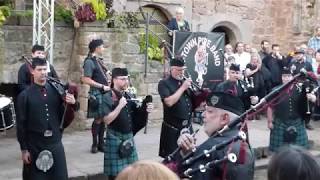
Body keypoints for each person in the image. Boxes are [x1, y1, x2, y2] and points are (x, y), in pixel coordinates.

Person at [16, 58, 77, 180]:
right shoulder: (25, 96)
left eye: (45, 69)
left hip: (55, 143)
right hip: (35, 146)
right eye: (40, 69)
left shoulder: (57, 90)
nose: (43, 72)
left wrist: (73, 103)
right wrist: (24, 149)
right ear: (32, 71)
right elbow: (21, 124)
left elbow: (68, 111)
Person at [177, 92, 255, 180]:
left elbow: (183, 174)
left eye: (209, 111)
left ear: (224, 118)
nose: (203, 115)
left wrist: (184, 154)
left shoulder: (210, 147)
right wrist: (188, 152)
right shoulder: (245, 144)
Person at [102, 67, 153, 180]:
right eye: (123, 79)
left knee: (132, 174)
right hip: (115, 139)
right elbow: (107, 120)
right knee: (116, 176)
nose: (126, 82)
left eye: (127, 79)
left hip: (129, 139)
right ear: (114, 80)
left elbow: (136, 115)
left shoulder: (129, 95)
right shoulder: (107, 97)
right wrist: (120, 106)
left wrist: (146, 108)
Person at [157, 57, 194, 158]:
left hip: (188, 127)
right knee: (172, 160)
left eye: (183, 70)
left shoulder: (185, 82)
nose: (182, 73)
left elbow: (192, 104)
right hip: (172, 130)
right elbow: (168, 102)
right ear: (172, 69)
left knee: (190, 157)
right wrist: (183, 88)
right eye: (179, 70)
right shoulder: (164, 83)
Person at [267, 67, 310, 152]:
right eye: (284, 76)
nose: (286, 78)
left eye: (288, 76)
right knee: (278, 151)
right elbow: (270, 107)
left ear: (293, 77)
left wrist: (311, 97)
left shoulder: (300, 89)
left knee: (300, 150)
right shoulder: (276, 91)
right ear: (281, 77)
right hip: (280, 122)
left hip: (297, 122)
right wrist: (270, 121)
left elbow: (308, 100)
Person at [81, 38, 111, 153]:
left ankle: (101, 144)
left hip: (104, 93)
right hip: (97, 93)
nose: (103, 49)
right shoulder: (89, 62)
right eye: (102, 47)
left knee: (103, 118)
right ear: (97, 48)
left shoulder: (98, 60)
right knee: (98, 119)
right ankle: (94, 144)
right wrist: (102, 86)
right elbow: (86, 79)